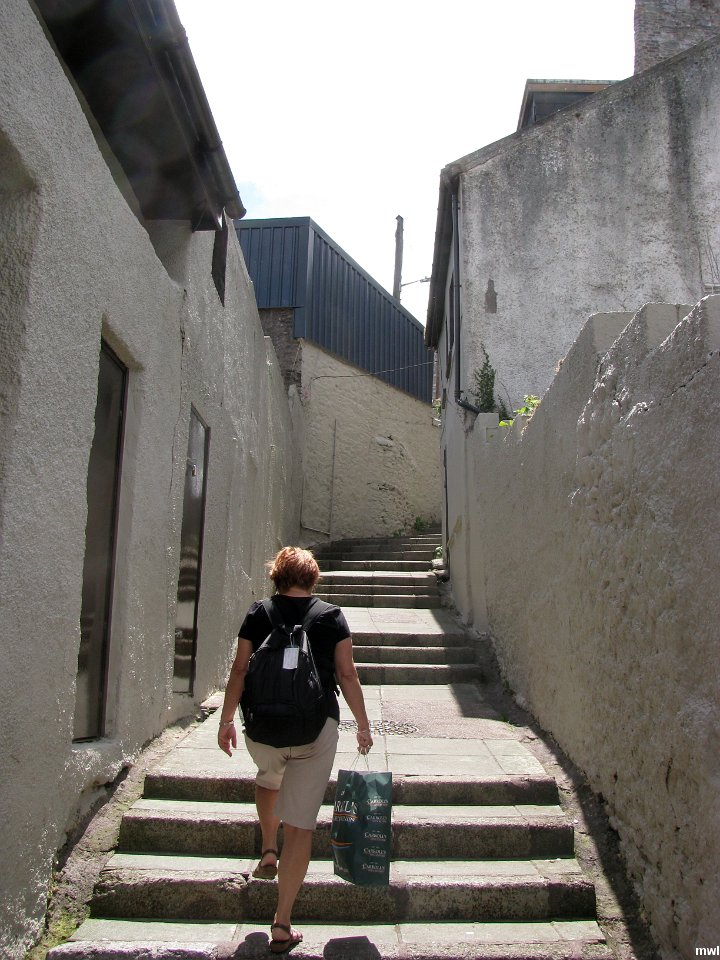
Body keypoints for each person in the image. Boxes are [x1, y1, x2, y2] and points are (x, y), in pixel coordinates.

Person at [217, 546, 373, 955]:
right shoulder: (331, 616)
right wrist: (362, 724)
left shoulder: (258, 613)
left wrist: (226, 719)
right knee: (301, 826)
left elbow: (239, 669)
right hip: (314, 730)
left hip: (263, 728)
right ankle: (282, 922)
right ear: (313, 578)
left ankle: (269, 847)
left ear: (277, 576)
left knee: (269, 779)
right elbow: (347, 674)